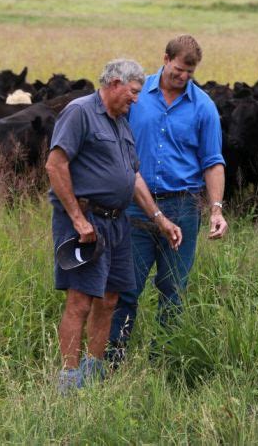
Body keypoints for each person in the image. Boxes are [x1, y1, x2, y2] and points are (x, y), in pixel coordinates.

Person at [45, 59, 182, 393]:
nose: (136, 99)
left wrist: (160, 219)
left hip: (119, 223)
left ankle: (92, 376)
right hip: (87, 222)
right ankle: (67, 383)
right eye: (133, 92)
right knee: (80, 301)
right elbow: (55, 164)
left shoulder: (122, 121)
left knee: (110, 299)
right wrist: (77, 219)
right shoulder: (80, 113)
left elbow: (133, 177)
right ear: (115, 82)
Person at [109, 35, 228, 358]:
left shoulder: (203, 106)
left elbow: (213, 162)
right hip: (136, 205)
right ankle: (113, 358)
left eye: (189, 72)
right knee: (126, 287)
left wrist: (216, 209)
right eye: (178, 69)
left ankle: (163, 362)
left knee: (173, 289)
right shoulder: (136, 97)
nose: (183, 77)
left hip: (183, 206)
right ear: (165, 59)